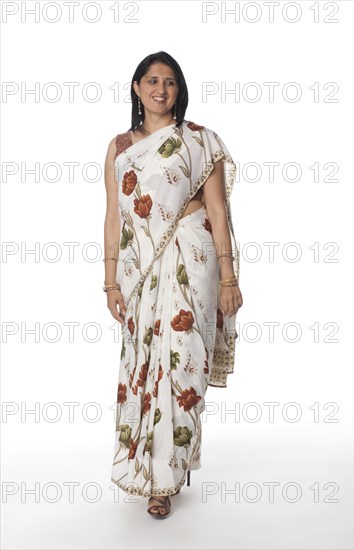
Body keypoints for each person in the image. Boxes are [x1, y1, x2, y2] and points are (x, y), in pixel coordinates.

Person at [103, 51, 243, 519]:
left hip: (193, 260)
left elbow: (218, 211)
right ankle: (154, 479)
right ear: (137, 88)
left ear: (178, 90)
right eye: (151, 80)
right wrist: (110, 283)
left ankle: (172, 468)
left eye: (170, 82)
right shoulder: (120, 146)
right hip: (138, 272)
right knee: (145, 365)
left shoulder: (200, 141)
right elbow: (113, 217)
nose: (161, 88)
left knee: (182, 364)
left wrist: (228, 276)